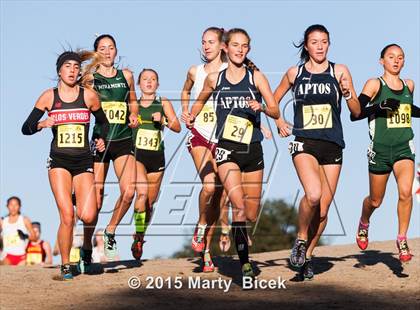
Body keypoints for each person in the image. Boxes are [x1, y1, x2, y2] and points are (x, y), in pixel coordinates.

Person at [187, 28, 280, 278]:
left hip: (253, 150)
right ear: (226, 48)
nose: (240, 50)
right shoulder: (215, 79)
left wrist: (261, 107)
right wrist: (191, 115)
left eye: (244, 46)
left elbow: (275, 110)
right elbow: (200, 101)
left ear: (248, 49)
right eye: (235, 45)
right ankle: (245, 264)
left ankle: (241, 244)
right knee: (237, 207)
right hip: (226, 150)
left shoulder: (256, 78)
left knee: (249, 213)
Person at [275, 24, 360, 281]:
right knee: (313, 194)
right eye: (314, 42)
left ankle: (308, 256)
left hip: (332, 143)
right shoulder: (294, 73)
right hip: (304, 142)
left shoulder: (340, 71)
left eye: (324, 41)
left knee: (322, 211)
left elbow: (356, 112)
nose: (320, 46)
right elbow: (272, 100)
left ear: (329, 44)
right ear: (306, 45)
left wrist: (347, 94)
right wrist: (279, 121)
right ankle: (301, 239)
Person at [22, 50, 109, 280]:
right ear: (59, 71)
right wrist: (43, 123)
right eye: (67, 66)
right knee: (67, 217)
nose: (72, 70)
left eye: (75, 67)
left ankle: (85, 246)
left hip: (83, 161)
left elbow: (104, 123)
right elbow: (26, 127)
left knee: (88, 214)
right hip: (59, 161)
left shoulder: (88, 96)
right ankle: (66, 264)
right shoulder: (48, 97)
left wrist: (100, 139)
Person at [352, 44, 419, 263]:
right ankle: (364, 222)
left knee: (405, 192)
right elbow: (356, 113)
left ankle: (401, 239)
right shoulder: (374, 84)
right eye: (391, 57)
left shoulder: (409, 85)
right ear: (382, 61)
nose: (396, 61)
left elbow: (408, 111)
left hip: (403, 148)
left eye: (400, 57)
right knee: (375, 201)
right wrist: (379, 107)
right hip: (379, 151)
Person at [181, 27, 228, 271]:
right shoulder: (195, 71)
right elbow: (185, 90)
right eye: (203, 42)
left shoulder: (231, 71)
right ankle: (200, 226)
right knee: (209, 185)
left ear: (222, 45)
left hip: (224, 138)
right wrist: (186, 111)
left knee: (218, 196)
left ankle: (206, 252)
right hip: (200, 134)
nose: (206, 46)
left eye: (211, 42)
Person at [90, 34, 138, 259]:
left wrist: (134, 115)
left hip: (122, 140)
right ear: (96, 52)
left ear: (116, 51)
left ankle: (110, 230)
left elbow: (133, 101)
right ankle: (87, 248)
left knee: (129, 192)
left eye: (111, 48)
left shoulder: (126, 75)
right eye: (102, 48)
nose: (107, 52)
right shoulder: (90, 79)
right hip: (100, 142)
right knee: (96, 200)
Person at [131, 69, 181, 260]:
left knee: (149, 204)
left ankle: (139, 236)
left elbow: (177, 127)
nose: (149, 82)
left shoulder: (163, 103)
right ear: (139, 84)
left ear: (157, 84)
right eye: (145, 79)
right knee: (141, 194)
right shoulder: (133, 104)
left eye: (153, 80)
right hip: (137, 156)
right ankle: (138, 231)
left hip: (157, 158)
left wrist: (165, 120)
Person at [0, 196, 36, 266]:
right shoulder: (3, 221)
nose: (13, 207)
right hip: (7, 255)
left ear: (20, 206)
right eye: (11, 205)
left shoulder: (24, 220)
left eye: (16, 205)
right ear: (7, 206)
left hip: (21, 256)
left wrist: (25, 236)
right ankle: (64, 274)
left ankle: (64, 275)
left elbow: (34, 238)